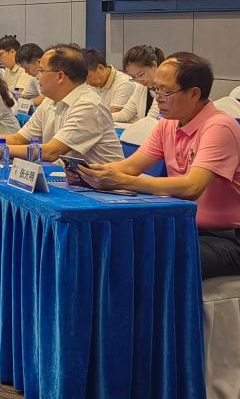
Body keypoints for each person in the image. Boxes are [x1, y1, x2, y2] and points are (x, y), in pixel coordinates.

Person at [76, 53, 240, 279]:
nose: (158, 98)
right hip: (183, 224)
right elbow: (130, 166)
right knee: (116, 246)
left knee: (155, 259)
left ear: (194, 93)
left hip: (226, 237)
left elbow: (192, 187)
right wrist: (86, 172)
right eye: (156, 89)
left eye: (166, 91)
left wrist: (125, 182)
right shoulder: (168, 124)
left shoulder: (219, 127)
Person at [0, 44, 124, 164]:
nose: (37, 77)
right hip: (76, 181)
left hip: (105, 187)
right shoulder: (50, 100)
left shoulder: (88, 105)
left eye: (41, 71)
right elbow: (20, 139)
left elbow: (51, 152)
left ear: (60, 76)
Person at [116, 44, 165, 123]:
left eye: (141, 74)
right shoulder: (141, 86)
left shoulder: (165, 88)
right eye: (133, 77)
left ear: (154, 66)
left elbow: (152, 119)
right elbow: (125, 114)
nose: (139, 80)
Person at [84, 48, 140, 115]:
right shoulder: (92, 83)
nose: (87, 82)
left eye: (88, 77)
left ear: (100, 68)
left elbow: (112, 114)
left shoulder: (125, 83)